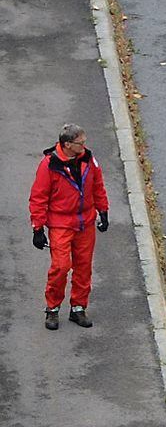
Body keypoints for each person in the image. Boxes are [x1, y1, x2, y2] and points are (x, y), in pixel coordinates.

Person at [29, 123, 110, 330]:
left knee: (84, 267)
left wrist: (103, 210)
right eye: (80, 142)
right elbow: (38, 198)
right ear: (67, 145)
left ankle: (78, 308)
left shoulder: (88, 160)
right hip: (61, 225)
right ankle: (52, 309)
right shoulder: (49, 165)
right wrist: (37, 228)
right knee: (61, 267)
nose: (84, 145)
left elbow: (98, 185)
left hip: (85, 223)